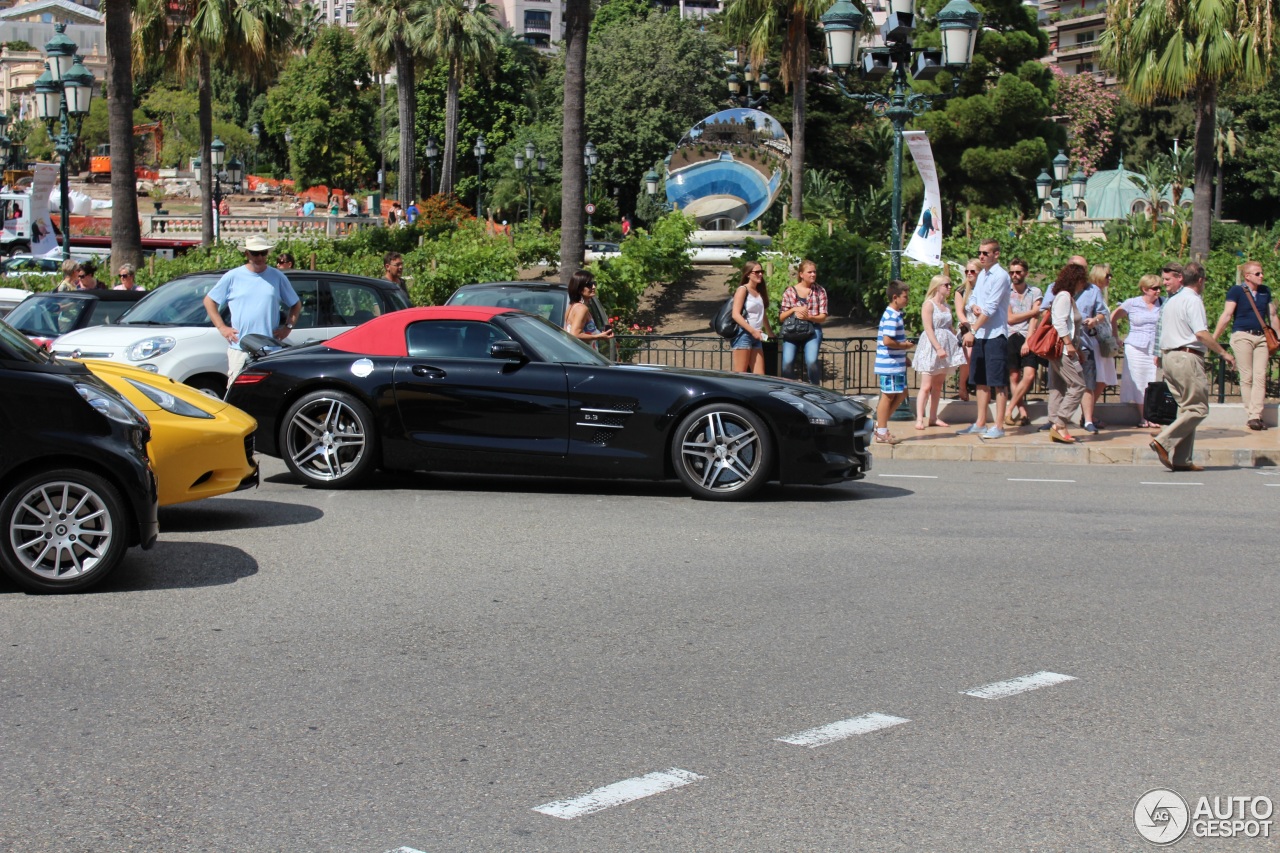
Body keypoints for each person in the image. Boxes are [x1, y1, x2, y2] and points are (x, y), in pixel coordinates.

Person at [1150, 261, 1235, 472]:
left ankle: (1182, 460)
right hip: (1186, 357)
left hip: (1169, 357)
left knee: (1187, 409)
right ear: (1200, 280)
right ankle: (1164, 440)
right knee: (1198, 409)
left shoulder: (1172, 301)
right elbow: (1201, 333)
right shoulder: (1193, 300)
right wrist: (1223, 352)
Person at [202, 235, 301, 381]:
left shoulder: (278, 276)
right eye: (255, 253)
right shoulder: (232, 276)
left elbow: (295, 304)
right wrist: (222, 328)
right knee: (237, 395)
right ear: (247, 253)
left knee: (269, 392)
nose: (259, 257)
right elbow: (209, 301)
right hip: (240, 349)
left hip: (270, 350)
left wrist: (288, 327)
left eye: (263, 253)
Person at [1211, 260, 1279, 431]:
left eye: (1262, 273)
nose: (1262, 276)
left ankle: (1255, 415)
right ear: (1247, 276)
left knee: (1260, 375)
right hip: (1242, 335)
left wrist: (1277, 337)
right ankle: (1252, 415)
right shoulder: (1236, 291)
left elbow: (1272, 315)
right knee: (1247, 376)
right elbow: (1227, 315)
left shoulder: (1265, 291)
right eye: (1258, 274)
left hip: (1262, 337)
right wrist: (1213, 338)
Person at [958, 239, 1011, 439]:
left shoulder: (1001, 276)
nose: (981, 256)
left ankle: (998, 425)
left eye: (985, 253)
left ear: (996, 254)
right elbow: (972, 298)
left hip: (995, 334)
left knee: (998, 381)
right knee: (980, 380)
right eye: (980, 252)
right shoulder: (982, 276)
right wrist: (973, 307)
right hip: (981, 334)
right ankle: (980, 422)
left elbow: (991, 308)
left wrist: (972, 328)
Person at [911, 273, 965, 429]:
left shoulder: (947, 307)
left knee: (938, 385)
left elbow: (949, 326)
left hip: (945, 345)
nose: (949, 288)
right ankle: (920, 418)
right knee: (926, 385)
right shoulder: (929, 305)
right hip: (931, 346)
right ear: (937, 287)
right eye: (946, 285)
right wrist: (938, 348)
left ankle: (933, 417)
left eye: (949, 285)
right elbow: (928, 328)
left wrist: (958, 336)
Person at [1112, 273, 1163, 428]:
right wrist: (1116, 338)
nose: (1158, 291)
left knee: (1153, 381)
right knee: (1140, 382)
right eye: (1154, 288)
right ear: (1145, 289)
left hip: (1155, 348)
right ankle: (1144, 416)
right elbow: (1113, 317)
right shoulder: (1132, 303)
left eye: (1159, 287)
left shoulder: (1165, 303)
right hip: (1136, 348)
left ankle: (1152, 414)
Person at [1046, 263, 1089, 444]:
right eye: (1082, 281)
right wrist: (1069, 345)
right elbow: (1060, 322)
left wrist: (1077, 348)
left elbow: (1071, 327)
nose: (1083, 285)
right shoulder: (1064, 296)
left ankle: (1055, 423)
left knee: (1058, 387)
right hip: (1063, 349)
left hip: (1066, 348)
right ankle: (1060, 422)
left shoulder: (1067, 297)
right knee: (1078, 385)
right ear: (1075, 280)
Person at [1075, 264, 1115, 433]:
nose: (1110, 279)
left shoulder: (1099, 293)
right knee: (1096, 379)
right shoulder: (1090, 292)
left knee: (1102, 379)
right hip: (1092, 340)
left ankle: (1088, 413)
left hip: (1102, 340)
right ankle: (1087, 415)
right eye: (1107, 275)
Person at [874, 279, 914, 444]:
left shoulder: (895, 314)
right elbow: (888, 340)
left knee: (902, 393)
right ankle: (881, 429)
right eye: (905, 297)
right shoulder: (891, 315)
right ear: (895, 297)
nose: (907, 299)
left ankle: (880, 425)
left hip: (895, 363)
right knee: (888, 396)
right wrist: (905, 346)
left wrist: (903, 356)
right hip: (889, 364)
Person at [1004, 257, 1042, 426]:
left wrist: (1028, 341)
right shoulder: (1006, 291)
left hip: (1029, 336)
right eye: (1012, 272)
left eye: (1018, 272)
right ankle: (1022, 412)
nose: (1015, 275)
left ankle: (1008, 409)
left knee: (1029, 375)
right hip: (1011, 335)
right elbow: (1010, 319)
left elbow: (1036, 318)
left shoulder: (1035, 292)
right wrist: (1031, 312)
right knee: (1013, 376)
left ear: (1025, 273)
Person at [778, 259, 828, 384]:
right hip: (792, 329)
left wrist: (809, 317)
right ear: (801, 274)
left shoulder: (820, 291)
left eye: (814, 272)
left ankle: (815, 389)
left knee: (811, 361)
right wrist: (794, 309)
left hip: (813, 328)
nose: (813, 275)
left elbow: (823, 316)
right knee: (787, 363)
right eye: (809, 272)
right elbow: (781, 317)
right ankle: (790, 389)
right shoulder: (789, 291)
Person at [730, 261, 772, 375]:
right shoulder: (743, 289)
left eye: (761, 272)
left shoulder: (759, 291)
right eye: (757, 272)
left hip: (756, 336)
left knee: (759, 376)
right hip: (744, 334)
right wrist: (752, 331)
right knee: (740, 374)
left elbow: (762, 314)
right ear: (748, 274)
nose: (760, 274)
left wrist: (770, 332)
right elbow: (735, 314)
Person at [564, 270, 614, 349]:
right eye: (589, 285)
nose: (593, 287)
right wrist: (598, 337)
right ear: (579, 288)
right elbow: (575, 334)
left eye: (594, 283)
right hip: (582, 357)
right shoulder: (581, 309)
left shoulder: (572, 306)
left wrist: (600, 334)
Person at [953, 259, 980, 401]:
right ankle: (962, 384)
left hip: (983, 325)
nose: (969, 274)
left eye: (973, 271)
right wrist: (968, 327)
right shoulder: (961, 290)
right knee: (968, 353)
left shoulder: (985, 289)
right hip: (966, 324)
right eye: (967, 271)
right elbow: (959, 312)